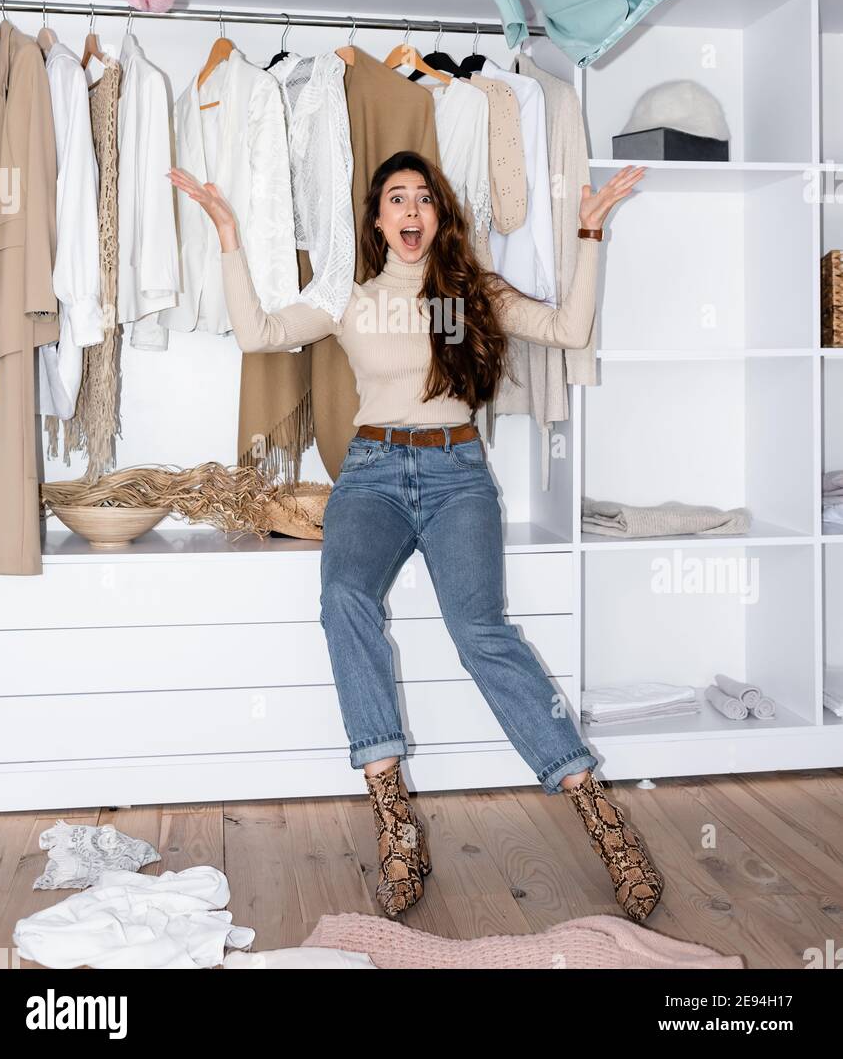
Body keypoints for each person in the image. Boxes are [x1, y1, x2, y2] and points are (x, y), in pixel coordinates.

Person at [167, 148, 664, 925]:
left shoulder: (468, 294)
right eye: (395, 198)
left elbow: (568, 329)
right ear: (376, 219)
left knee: (481, 634)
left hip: (457, 473)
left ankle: (605, 825)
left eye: (423, 199)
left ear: (438, 217)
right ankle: (396, 823)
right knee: (342, 597)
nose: (409, 210)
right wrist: (227, 235)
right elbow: (259, 333)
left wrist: (589, 235)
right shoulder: (349, 298)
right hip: (369, 474)